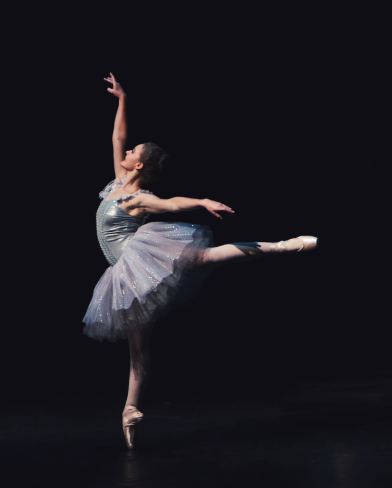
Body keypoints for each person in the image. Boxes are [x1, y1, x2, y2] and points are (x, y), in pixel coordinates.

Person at [83, 72, 318, 449]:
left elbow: (170, 204)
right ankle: (130, 410)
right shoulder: (116, 182)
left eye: (133, 154)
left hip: (140, 260)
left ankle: (282, 246)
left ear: (140, 166)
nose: (126, 154)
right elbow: (117, 138)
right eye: (129, 152)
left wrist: (202, 201)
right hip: (123, 274)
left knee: (207, 256)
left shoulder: (138, 197)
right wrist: (122, 99)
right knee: (139, 347)